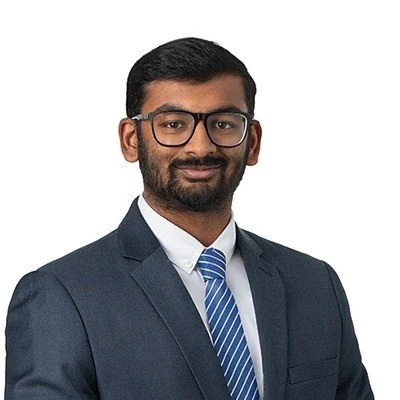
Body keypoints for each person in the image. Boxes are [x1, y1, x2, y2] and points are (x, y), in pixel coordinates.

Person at [4, 37, 374, 400]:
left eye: (224, 123)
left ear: (253, 141)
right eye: (173, 124)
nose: (201, 146)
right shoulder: (61, 296)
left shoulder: (315, 284)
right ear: (131, 140)